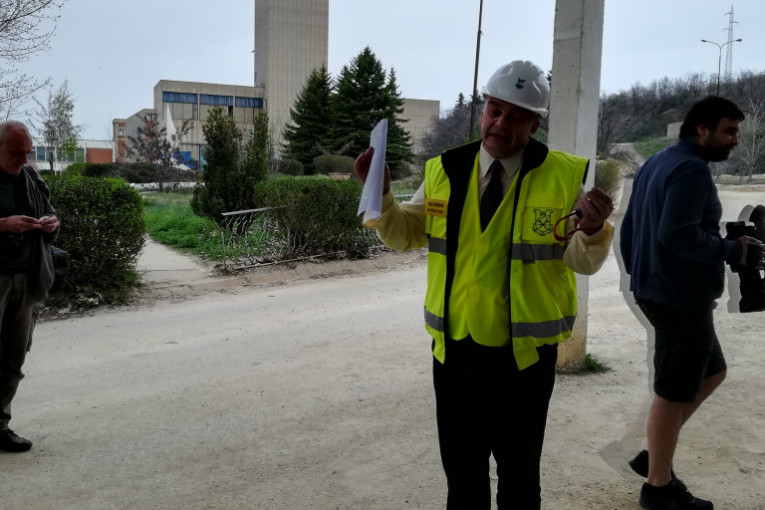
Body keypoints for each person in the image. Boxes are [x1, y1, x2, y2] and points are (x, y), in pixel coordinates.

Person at [355, 60, 614, 509]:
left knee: (519, 478)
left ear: (534, 125)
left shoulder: (563, 176)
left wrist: (592, 229)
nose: (501, 122)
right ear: (482, 111)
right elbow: (404, 234)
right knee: (463, 476)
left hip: (524, 359)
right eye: (495, 110)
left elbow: (580, 261)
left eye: (516, 115)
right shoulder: (445, 169)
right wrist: (379, 193)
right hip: (456, 353)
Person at [620, 96, 764, 510]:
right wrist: (733, 250)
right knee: (673, 391)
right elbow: (677, 234)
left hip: (662, 290)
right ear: (702, 129)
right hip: (678, 297)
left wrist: (641, 275)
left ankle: (655, 454)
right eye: (729, 131)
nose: (735, 140)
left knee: (712, 372)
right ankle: (658, 489)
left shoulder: (657, 162)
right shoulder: (692, 169)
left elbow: (630, 229)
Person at [0, 120, 60, 452]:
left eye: (27, 152)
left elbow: (50, 216)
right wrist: (3, 224)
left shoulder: (31, 178)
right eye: (15, 153)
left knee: (13, 360)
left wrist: (51, 224)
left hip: (27, 278)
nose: (23, 159)